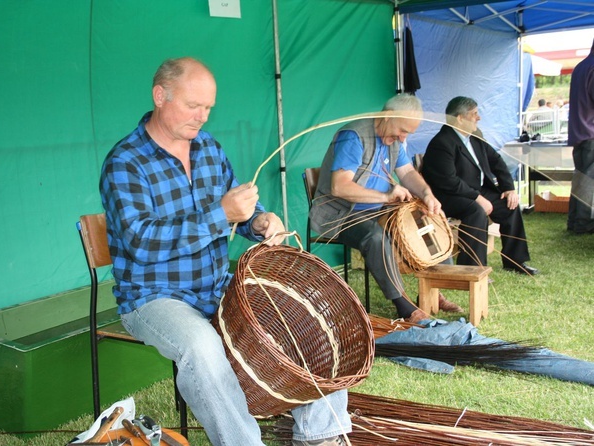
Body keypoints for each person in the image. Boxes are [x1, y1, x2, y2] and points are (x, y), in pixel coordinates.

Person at [100, 57, 351, 446]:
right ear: (160, 96)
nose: (201, 117)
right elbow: (141, 243)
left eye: (208, 108)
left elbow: (241, 209)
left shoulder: (209, 150)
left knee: (299, 315)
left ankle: (321, 435)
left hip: (215, 286)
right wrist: (219, 215)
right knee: (201, 346)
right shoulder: (125, 163)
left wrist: (261, 221)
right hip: (154, 297)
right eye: (192, 105)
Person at [309, 93, 462, 324]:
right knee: (375, 237)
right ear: (388, 116)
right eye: (403, 131)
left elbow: (408, 173)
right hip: (341, 214)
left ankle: (433, 291)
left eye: (408, 133)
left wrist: (428, 195)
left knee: (426, 220)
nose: (403, 138)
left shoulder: (394, 140)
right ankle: (405, 308)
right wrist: (385, 195)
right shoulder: (353, 137)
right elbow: (339, 187)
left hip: (376, 209)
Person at [420, 96, 538, 275]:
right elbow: (449, 181)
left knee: (510, 205)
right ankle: (473, 268)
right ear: (459, 118)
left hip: (476, 191)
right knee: (476, 210)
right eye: (474, 113)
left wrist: (509, 188)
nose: (478, 117)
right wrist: (478, 198)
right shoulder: (442, 143)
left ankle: (516, 261)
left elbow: (497, 162)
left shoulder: (475, 138)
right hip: (448, 196)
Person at [567, 38, 594, 234]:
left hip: (580, 132)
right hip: (591, 132)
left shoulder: (581, 66)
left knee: (581, 180)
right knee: (587, 182)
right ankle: (583, 224)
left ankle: (575, 221)